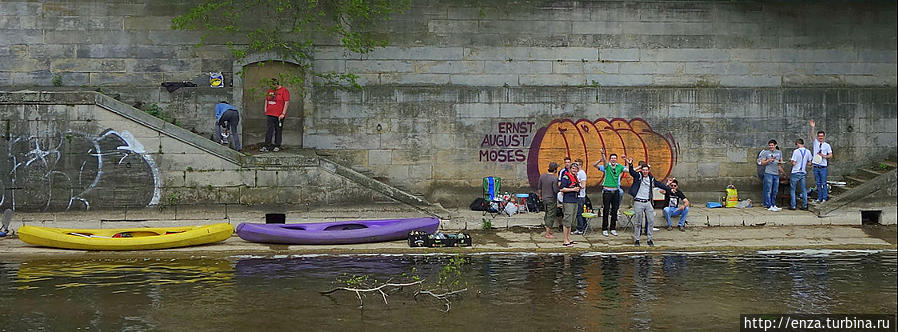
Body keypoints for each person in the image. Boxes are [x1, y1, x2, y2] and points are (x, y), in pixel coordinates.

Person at [626, 159, 670, 247]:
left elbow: (659, 184)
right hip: (638, 201)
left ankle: (649, 239)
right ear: (641, 170)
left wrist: (668, 188)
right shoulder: (638, 176)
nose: (645, 171)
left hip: (648, 202)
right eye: (644, 170)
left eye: (646, 170)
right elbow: (631, 172)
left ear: (648, 171)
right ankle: (637, 239)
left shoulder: (651, 179)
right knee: (638, 222)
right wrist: (630, 164)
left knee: (651, 221)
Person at [593, 149, 625, 237]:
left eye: (615, 158)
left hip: (616, 191)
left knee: (614, 210)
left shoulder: (619, 167)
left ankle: (613, 228)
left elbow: (630, 170)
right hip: (607, 191)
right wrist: (602, 154)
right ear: (610, 159)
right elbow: (602, 163)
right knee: (606, 210)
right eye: (612, 158)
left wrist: (631, 163)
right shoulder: (607, 166)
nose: (613, 159)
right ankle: (604, 228)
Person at [261, 78, 290, 152]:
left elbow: (286, 102)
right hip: (270, 113)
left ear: (277, 84)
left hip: (279, 114)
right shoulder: (270, 90)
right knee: (269, 130)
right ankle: (267, 145)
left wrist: (283, 113)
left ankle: (277, 145)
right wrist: (265, 109)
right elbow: (266, 99)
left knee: (278, 130)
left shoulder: (284, 90)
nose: (272, 87)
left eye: (273, 85)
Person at [559, 162, 583, 247]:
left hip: (575, 200)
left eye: (576, 169)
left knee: (572, 221)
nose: (574, 170)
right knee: (567, 220)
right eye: (573, 169)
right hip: (568, 201)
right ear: (570, 169)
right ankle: (565, 240)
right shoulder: (565, 177)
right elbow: (561, 189)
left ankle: (569, 238)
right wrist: (572, 190)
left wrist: (578, 188)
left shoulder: (575, 178)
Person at [809, 120, 833, 202]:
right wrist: (812, 127)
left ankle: (824, 198)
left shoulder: (827, 145)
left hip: (823, 166)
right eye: (819, 136)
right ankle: (819, 197)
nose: (820, 137)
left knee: (823, 183)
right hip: (816, 166)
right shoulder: (815, 143)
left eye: (822, 136)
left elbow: (830, 155)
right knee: (818, 183)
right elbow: (812, 136)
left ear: (824, 137)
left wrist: (824, 156)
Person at [758, 139, 784, 211]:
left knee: (775, 190)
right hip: (768, 173)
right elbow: (762, 162)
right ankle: (768, 205)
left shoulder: (779, 152)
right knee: (768, 190)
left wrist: (781, 164)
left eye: (772, 145)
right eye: (770, 145)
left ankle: (773, 204)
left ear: (775, 145)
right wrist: (768, 160)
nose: (771, 147)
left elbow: (780, 161)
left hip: (776, 173)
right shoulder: (766, 153)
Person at [538, 162, 561, 239]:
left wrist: (540, 196)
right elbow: (555, 190)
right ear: (555, 170)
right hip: (551, 199)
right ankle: (548, 233)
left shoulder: (542, 176)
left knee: (547, 213)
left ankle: (548, 230)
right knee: (551, 215)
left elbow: (539, 188)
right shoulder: (554, 178)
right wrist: (560, 188)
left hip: (544, 198)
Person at [789, 138, 812, 210]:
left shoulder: (796, 151)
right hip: (803, 172)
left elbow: (793, 162)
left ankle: (793, 205)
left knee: (793, 189)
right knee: (803, 190)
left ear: (797, 144)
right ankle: (805, 205)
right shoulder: (808, 151)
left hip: (795, 171)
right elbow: (810, 162)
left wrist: (792, 162)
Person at [573, 158, 588, 235]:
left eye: (577, 165)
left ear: (581, 165)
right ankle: (584, 226)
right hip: (577, 196)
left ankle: (580, 228)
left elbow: (583, 185)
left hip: (580, 196)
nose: (576, 166)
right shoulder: (576, 173)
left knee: (579, 213)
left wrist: (575, 186)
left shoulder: (581, 173)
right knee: (580, 212)